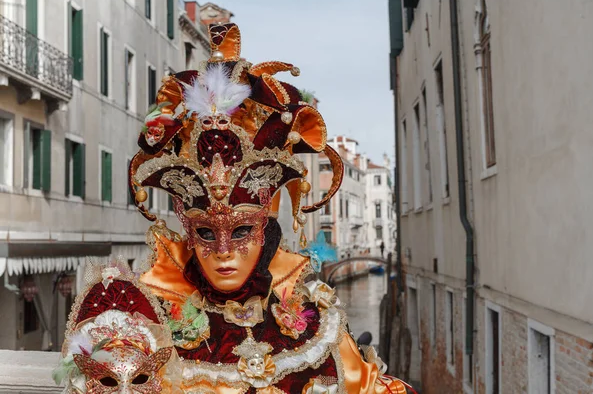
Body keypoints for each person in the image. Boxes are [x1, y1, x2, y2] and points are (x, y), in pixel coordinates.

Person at [56, 23, 408, 394]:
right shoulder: (145, 322)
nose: (223, 253)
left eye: (241, 230)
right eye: (206, 232)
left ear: (266, 227)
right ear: (187, 228)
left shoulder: (315, 320)